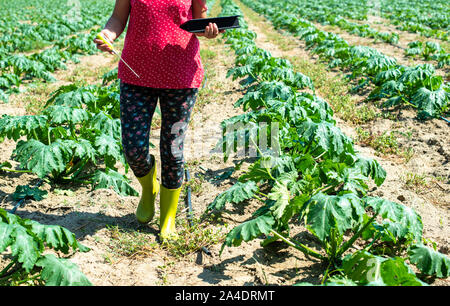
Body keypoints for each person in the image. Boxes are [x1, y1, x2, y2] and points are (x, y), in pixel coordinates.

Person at [94, 0, 222, 241]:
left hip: (182, 76)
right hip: (135, 75)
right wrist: (107, 35)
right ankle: (148, 187)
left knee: (173, 150)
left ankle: (168, 217)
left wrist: (210, 30)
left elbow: (199, 22)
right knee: (133, 148)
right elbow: (118, 19)